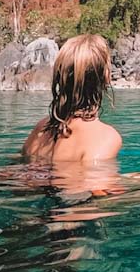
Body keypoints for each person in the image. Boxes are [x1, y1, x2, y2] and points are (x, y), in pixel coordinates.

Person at [22, 33, 122, 170]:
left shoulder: (42, 127)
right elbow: (92, 186)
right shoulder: (105, 137)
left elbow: (25, 170)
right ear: (106, 76)